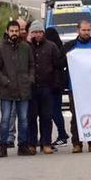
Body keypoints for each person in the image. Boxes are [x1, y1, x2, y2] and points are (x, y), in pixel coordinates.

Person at [0, 20, 35, 157]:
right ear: (7, 32)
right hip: (7, 90)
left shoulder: (25, 47)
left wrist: (30, 79)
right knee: (5, 119)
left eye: (16, 31)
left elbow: (31, 65)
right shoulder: (0, 49)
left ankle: (23, 145)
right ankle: (3, 146)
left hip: (23, 89)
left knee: (23, 119)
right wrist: (4, 81)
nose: (14, 33)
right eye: (12, 31)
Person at [62, 20, 91, 153]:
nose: (86, 33)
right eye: (83, 30)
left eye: (88, 30)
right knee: (75, 116)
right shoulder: (69, 46)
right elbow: (60, 62)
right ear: (78, 30)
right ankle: (77, 143)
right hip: (74, 87)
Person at [27, 20, 61, 155]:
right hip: (31, 88)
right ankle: (32, 144)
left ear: (43, 32)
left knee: (46, 117)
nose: (37, 34)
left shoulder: (51, 47)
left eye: (39, 32)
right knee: (31, 117)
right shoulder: (26, 47)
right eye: (34, 32)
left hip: (47, 87)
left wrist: (56, 84)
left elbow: (57, 66)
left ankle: (46, 143)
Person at [45, 27, 70, 148]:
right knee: (56, 111)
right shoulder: (62, 48)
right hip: (58, 85)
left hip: (53, 85)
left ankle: (62, 134)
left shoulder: (51, 49)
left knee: (54, 111)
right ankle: (62, 133)